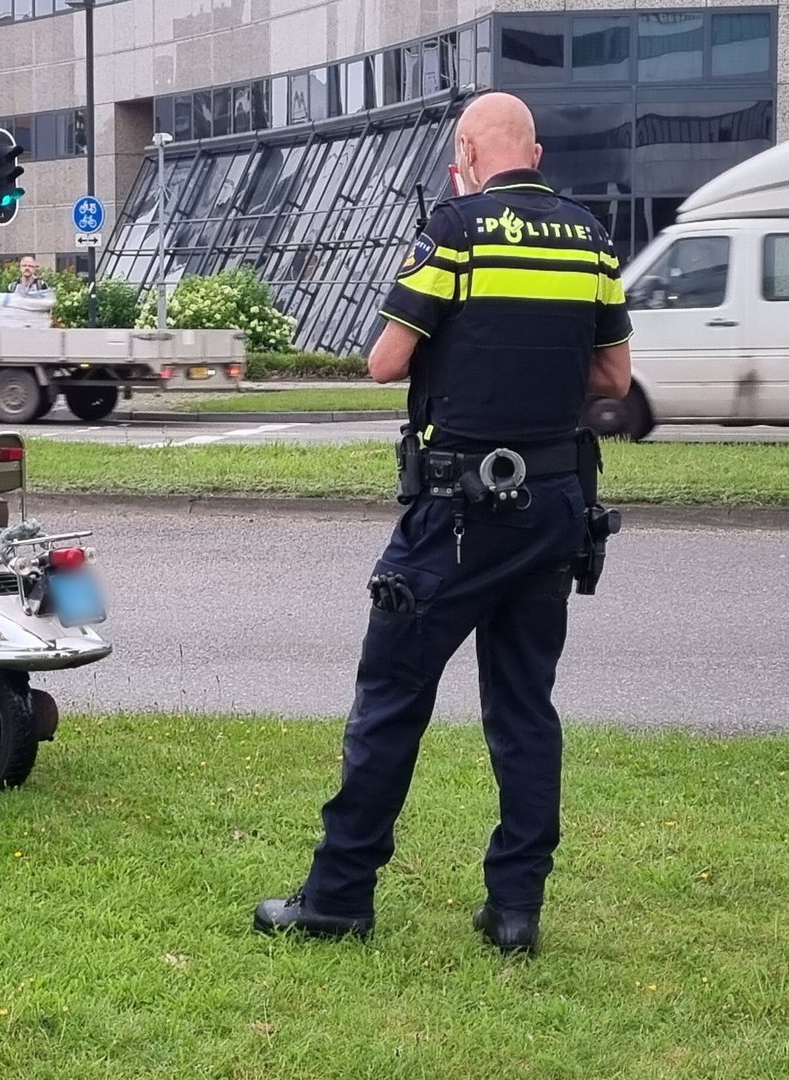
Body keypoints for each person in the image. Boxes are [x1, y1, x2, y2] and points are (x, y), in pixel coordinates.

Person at [253, 92, 632, 955]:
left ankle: (339, 897)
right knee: (526, 707)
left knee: (390, 698)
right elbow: (611, 379)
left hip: (458, 509)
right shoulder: (592, 238)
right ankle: (514, 913)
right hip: (554, 503)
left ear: (467, 151)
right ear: (532, 151)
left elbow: (385, 361)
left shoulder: (456, 227)